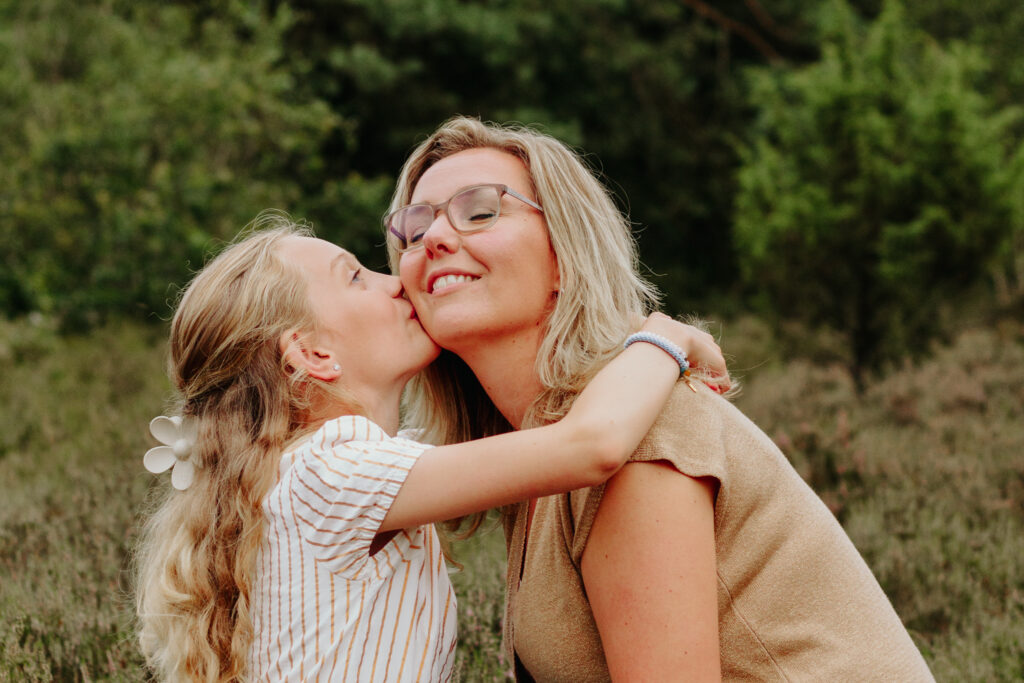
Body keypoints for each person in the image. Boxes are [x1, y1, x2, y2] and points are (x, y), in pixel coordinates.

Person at [387, 116, 935, 681]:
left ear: (564, 255)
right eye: (412, 228)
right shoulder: (546, 444)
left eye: (480, 211)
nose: (434, 239)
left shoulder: (639, 428)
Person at [133, 218, 726, 681]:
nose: (395, 282)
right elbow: (591, 445)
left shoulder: (313, 476)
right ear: (312, 354)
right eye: (357, 277)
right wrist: (663, 336)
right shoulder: (331, 468)